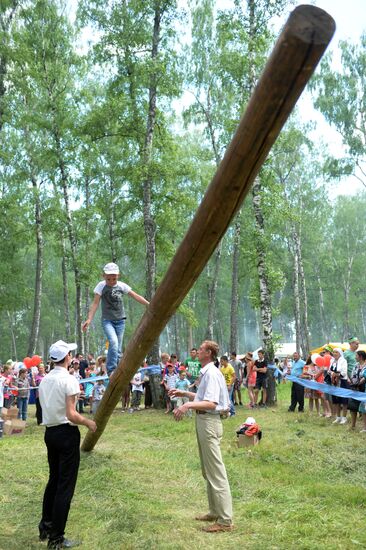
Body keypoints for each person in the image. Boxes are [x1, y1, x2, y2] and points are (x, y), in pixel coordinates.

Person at [38, 340, 96, 549]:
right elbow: (71, 414)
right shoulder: (69, 379)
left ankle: (45, 526)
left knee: (54, 480)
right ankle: (56, 538)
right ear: (67, 357)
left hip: (50, 433)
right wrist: (89, 422)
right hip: (66, 433)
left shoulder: (45, 379)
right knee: (65, 486)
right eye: (70, 353)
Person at [171, 340, 233, 533]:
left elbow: (212, 403)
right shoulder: (208, 372)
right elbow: (203, 398)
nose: (197, 352)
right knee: (208, 471)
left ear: (209, 353)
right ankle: (214, 511)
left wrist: (186, 405)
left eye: (202, 349)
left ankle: (225, 521)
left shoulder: (212, 373)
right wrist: (185, 394)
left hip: (209, 422)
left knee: (216, 472)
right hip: (204, 422)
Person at [82, 262, 149, 375]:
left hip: (120, 321)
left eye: (114, 279)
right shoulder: (101, 286)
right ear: (104, 276)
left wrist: (148, 304)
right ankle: (111, 369)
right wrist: (89, 319)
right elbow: (95, 304)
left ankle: (118, 370)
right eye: (109, 279)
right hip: (107, 321)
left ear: (118, 276)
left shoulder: (122, 285)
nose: (111, 281)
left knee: (117, 349)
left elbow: (135, 295)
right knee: (113, 342)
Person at [330, 348, 349, 425]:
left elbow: (344, 372)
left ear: (340, 353)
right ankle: (338, 417)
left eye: (336, 352)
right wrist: (332, 374)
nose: (334, 353)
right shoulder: (332, 361)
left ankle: (344, 417)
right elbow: (329, 370)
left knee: (344, 400)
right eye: (333, 352)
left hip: (342, 382)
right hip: (334, 382)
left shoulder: (343, 361)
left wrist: (336, 375)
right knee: (336, 400)